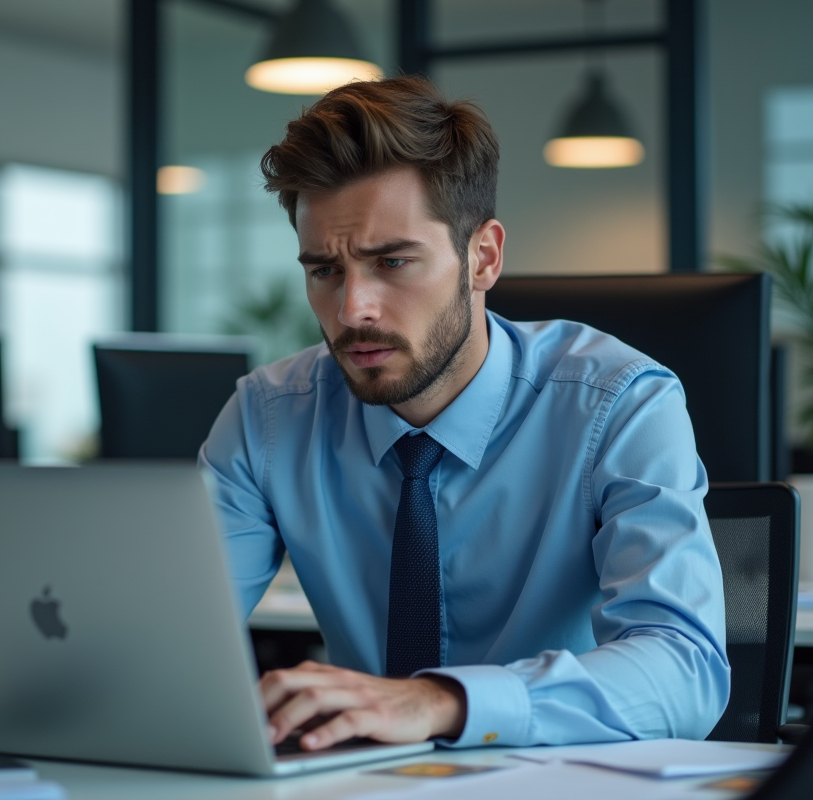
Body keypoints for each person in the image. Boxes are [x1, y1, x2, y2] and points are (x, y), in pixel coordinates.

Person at [200, 76, 729, 752]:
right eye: (324, 272)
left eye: (392, 262)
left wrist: (440, 701)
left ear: (482, 258)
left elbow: (685, 671)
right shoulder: (269, 418)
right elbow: (168, 641)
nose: (353, 309)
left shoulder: (620, 403)